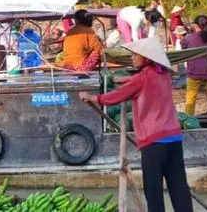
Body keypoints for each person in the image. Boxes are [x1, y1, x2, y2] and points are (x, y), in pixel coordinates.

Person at [79, 37, 192, 212]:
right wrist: (128, 81)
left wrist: (93, 97)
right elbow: (142, 84)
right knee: (178, 185)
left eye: (135, 55)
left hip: (154, 141)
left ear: (146, 58)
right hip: (174, 137)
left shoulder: (142, 78)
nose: (132, 58)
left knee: (153, 189)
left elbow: (116, 96)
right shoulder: (163, 75)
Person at [181, 15, 207, 116]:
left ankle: (188, 120)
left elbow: (183, 50)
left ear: (195, 25)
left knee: (190, 99)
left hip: (194, 73)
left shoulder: (188, 39)